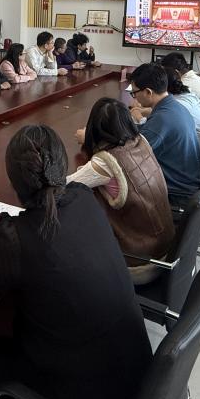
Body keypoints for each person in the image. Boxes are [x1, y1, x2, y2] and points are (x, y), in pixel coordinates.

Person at [0, 125, 152, 399]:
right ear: (62, 168)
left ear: (14, 183)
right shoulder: (84, 197)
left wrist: (2, 232)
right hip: (136, 386)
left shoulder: (16, 237)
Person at [67, 98, 175, 284]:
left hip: (139, 264)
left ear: (94, 128)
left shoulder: (106, 161)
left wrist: (85, 165)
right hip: (168, 249)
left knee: (73, 236)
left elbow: (66, 185)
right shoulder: (141, 141)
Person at [128, 63, 200, 198]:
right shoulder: (174, 105)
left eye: (134, 93)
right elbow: (148, 133)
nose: (134, 97)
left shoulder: (162, 119)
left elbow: (131, 156)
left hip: (177, 190)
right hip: (191, 179)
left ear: (148, 92)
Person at [162, 52, 200, 138]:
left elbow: (166, 109)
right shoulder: (193, 78)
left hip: (198, 137)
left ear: (175, 72)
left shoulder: (184, 84)